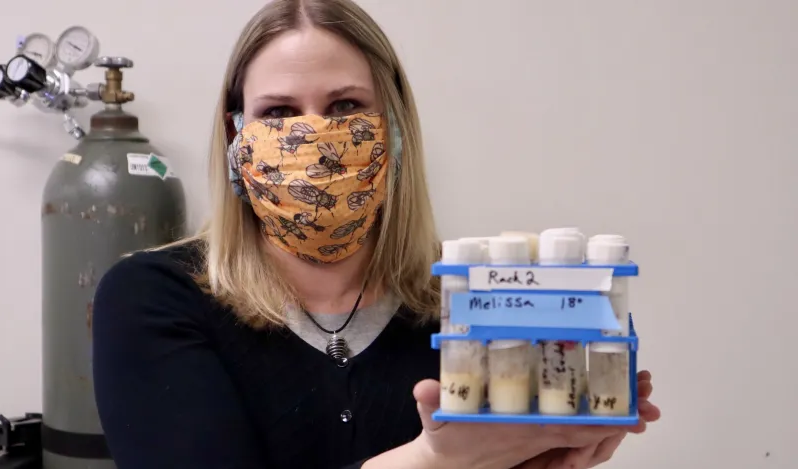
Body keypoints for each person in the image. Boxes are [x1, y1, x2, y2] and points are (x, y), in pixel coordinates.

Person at [91, 0, 660, 468]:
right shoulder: (153, 296)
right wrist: (434, 462)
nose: (314, 137)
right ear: (236, 136)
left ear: (394, 128)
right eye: (279, 113)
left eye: (345, 106)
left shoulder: (468, 305)